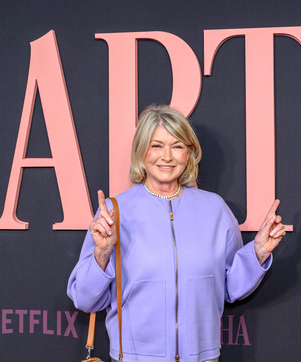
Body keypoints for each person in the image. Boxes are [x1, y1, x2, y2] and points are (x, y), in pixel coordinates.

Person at [67, 104, 286, 362]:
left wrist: (257, 253)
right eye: (157, 145)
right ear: (141, 150)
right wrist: (102, 252)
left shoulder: (215, 209)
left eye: (178, 146)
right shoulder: (115, 212)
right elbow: (84, 299)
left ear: (189, 154)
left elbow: (230, 288)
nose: (167, 156)